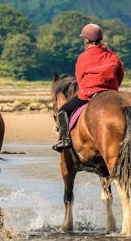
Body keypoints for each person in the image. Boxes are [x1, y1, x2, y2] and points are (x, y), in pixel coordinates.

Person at [53, 23, 125, 152]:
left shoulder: (83, 57)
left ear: (86, 40)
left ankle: (64, 139)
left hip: (90, 94)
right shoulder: (112, 55)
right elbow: (121, 73)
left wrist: (88, 90)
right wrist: (113, 88)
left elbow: (80, 79)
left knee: (63, 110)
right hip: (111, 93)